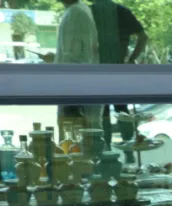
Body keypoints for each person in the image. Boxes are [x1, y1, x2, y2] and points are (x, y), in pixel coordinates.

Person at [90, 0, 148, 162]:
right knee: (122, 111)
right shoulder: (122, 11)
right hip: (119, 71)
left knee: (103, 112)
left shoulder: (89, 12)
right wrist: (131, 59)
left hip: (96, 72)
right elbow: (143, 37)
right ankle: (129, 154)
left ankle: (106, 153)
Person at [47, 0, 101, 136]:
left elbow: (82, 55)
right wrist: (56, 59)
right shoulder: (76, 11)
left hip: (74, 87)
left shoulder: (77, 12)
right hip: (73, 86)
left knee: (74, 134)